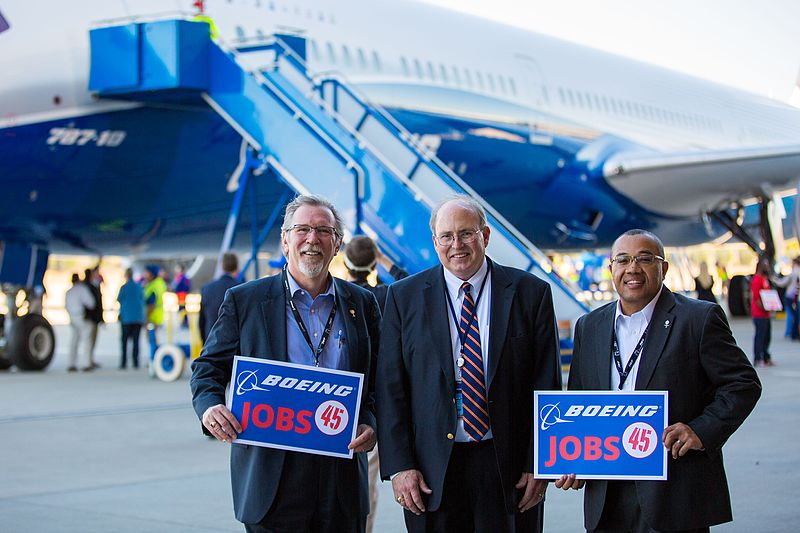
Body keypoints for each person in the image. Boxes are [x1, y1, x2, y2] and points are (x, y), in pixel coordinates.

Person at [190, 194, 381, 532]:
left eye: (324, 230)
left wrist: (371, 422)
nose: (312, 239)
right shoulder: (245, 301)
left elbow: (381, 379)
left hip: (340, 475)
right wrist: (210, 407)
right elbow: (207, 369)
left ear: (337, 245)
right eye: (302, 229)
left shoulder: (362, 304)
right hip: (272, 478)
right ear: (285, 240)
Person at [376, 195, 561, 533]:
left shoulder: (530, 293)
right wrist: (400, 466)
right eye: (446, 236)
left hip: (510, 469)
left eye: (466, 233)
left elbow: (545, 384)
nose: (456, 245)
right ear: (435, 243)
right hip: (431, 473)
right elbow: (391, 389)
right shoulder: (403, 298)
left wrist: (541, 462)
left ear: (485, 236)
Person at [556, 229, 761, 533]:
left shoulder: (698, 319)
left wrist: (701, 430)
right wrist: (574, 460)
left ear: (663, 268)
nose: (633, 268)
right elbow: (580, 401)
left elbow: (743, 384)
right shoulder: (590, 326)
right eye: (623, 260)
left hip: (674, 494)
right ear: (611, 269)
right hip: (607, 496)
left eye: (645, 259)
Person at [342, 235, 408, 533]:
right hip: (377, 398)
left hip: (345, 396)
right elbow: (410, 282)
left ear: (345, 262)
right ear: (372, 264)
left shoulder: (338, 295)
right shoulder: (385, 295)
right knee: (367, 475)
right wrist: (384, 261)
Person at [198, 252, 241, 343]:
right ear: (237, 267)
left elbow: (202, 321)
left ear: (222, 266)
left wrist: (205, 344)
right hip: (234, 344)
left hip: (211, 341)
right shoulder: (242, 288)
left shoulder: (207, 288)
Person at [65, 272, 96, 372]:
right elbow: (91, 303)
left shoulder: (69, 292)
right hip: (81, 316)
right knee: (87, 339)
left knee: (74, 340)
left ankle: (71, 363)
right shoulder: (82, 290)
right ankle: (87, 363)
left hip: (72, 317)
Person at [116, 267, 145, 369]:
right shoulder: (139, 287)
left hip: (126, 319)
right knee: (136, 341)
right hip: (137, 318)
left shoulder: (124, 288)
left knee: (124, 341)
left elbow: (119, 299)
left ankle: (123, 362)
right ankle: (135, 362)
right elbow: (143, 299)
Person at [750, 257, 775, 367]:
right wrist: (764, 307)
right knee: (760, 335)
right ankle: (757, 358)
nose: (767, 267)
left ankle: (765, 356)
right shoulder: (756, 280)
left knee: (766, 336)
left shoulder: (764, 279)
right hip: (759, 313)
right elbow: (756, 298)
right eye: (765, 265)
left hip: (766, 313)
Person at [773, 256, 800, 341]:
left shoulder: (793, 273)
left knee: (790, 315)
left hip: (790, 296)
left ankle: (790, 332)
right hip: (796, 296)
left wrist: (775, 280)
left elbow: (782, 283)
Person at [83, 267, 104, 370]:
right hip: (90, 318)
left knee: (91, 340)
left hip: (93, 318)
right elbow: (93, 304)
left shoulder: (92, 286)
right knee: (89, 340)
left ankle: (90, 360)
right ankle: (87, 362)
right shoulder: (88, 287)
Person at [143, 264, 167, 347]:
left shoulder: (153, 286)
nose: (144, 274)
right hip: (157, 316)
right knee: (153, 338)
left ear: (151, 274)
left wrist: (147, 317)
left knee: (151, 339)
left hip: (152, 317)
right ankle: (155, 357)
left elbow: (151, 304)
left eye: (146, 273)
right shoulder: (160, 283)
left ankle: (154, 357)